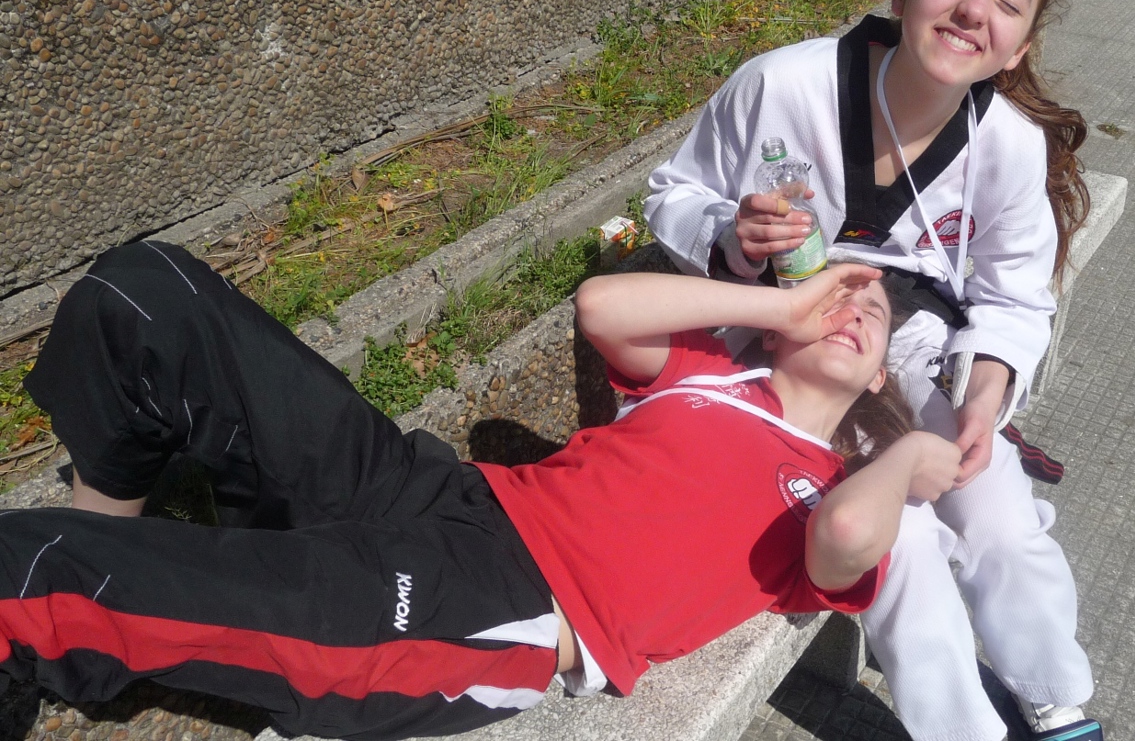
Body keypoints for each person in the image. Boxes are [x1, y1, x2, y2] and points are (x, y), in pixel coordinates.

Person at [0, 240, 962, 741]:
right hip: (437, 489)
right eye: (840, 291)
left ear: (883, 372)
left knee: (28, 569)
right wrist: (777, 303)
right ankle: (108, 538)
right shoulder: (712, 372)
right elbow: (600, 305)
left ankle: (58, 608)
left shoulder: (830, 485)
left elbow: (848, 532)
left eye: (873, 314)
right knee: (146, 290)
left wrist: (913, 450)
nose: (851, 309)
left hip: (493, 605)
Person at [644, 0, 1101, 739]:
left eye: (1008, 1)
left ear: (1020, 45)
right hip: (782, 339)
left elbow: (1014, 296)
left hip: (911, 338)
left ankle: (1053, 692)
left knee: (998, 513)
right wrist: (731, 234)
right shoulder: (783, 84)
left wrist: (984, 395)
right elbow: (674, 194)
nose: (973, 10)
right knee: (907, 540)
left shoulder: (1007, 142)